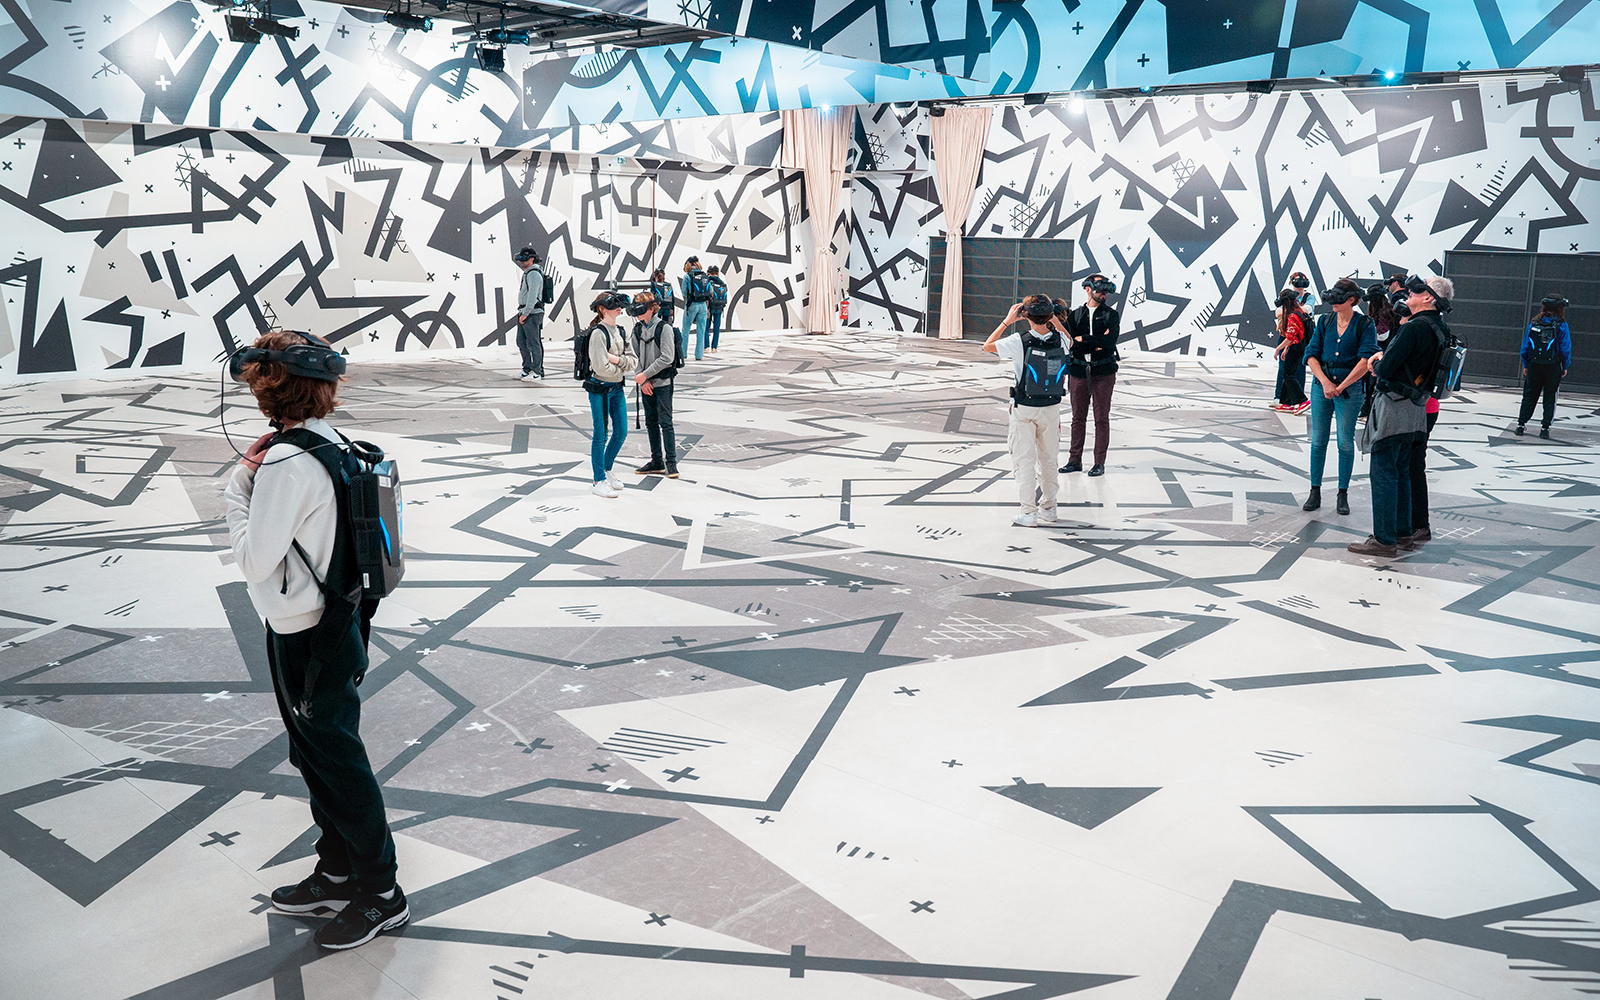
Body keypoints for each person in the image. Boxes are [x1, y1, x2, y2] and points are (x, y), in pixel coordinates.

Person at [223, 331, 407, 950]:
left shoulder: (281, 461)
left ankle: (383, 892)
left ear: (269, 389)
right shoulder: (337, 443)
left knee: (336, 759)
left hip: (304, 631)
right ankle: (335, 870)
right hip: (342, 620)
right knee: (319, 753)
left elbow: (253, 559)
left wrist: (237, 486)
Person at [1348, 276, 1448, 557]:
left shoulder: (1415, 328)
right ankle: (1403, 533)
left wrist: (1375, 362)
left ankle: (1384, 539)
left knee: (1383, 471)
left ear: (1429, 298)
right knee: (1402, 470)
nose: (1410, 293)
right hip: (1417, 407)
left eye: (1418, 290)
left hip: (1395, 406)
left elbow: (1387, 367)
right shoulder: (1439, 328)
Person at [985, 295, 1069, 526]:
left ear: (1025, 314)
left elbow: (987, 346)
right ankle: (1050, 508)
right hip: (1051, 407)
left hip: (1024, 407)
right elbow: (1071, 341)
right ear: (1050, 313)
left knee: (1024, 460)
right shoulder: (1061, 338)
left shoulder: (1018, 340)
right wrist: (1053, 316)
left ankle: (1028, 512)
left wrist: (1007, 320)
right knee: (1049, 460)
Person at [1301, 278, 1378, 515]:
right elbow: (1311, 354)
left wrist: (1341, 386)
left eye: (1339, 299)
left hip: (1351, 389)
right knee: (1318, 441)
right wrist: (1325, 382)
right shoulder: (1324, 321)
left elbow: (1366, 360)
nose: (1333, 303)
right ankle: (1315, 491)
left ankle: (1342, 494)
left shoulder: (1365, 324)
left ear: (1352, 300)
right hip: (1321, 386)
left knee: (1345, 442)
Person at [1058, 274, 1120, 476]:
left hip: (1104, 372)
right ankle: (1074, 460)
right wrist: (1095, 341)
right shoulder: (1075, 315)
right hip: (1079, 371)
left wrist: (1083, 337)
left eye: (1105, 291)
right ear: (1087, 289)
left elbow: (1109, 342)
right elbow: (1070, 343)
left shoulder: (1111, 315)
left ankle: (1099, 463)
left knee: (1101, 418)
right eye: (1099, 290)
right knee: (1078, 418)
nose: (1103, 294)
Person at [582, 293, 637, 498]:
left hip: (617, 389)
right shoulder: (598, 333)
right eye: (611, 305)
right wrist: (620, 365)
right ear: (602, 308)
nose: (618, 308)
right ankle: (598, 480)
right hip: (599, 389)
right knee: (600, 434)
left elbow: (633, 361)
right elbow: (600, 367)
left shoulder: (621, 331)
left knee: (621, 431)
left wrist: (616, 360)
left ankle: (606, 469)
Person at [630, 291, 680, 478]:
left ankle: (671, 462)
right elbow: (635, 355)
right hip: (646, 384)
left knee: (665, 422)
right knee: (650, 422)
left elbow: (667, 358)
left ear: (652, 309)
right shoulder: (637, 330)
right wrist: (642, 379)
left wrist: (644, 375)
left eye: (641, 309)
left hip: (663, 383)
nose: (637, 313)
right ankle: (657, 461)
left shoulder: (664, 328)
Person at [1517, 295, 1572, 439]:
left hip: (1534, 364)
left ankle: (1521, 424)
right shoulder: (1561, 325)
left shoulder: (1534, 323)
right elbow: (1565, 348)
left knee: (1529, 395)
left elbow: (1525, 346)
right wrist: (1565, 365)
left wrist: (1526, 364)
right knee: (1550, 397)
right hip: (1552, 365)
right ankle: (1545, 428)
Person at [1359, 283, 1401, 419]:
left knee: (1371, 383)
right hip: (1386, 352)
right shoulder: (1390, 310)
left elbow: (1381, 335)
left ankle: (1368, 410)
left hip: (1379, 353)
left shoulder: (1383, 313)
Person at [1272, 288, 1310, 412]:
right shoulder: (1298, 311)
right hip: (1295, 346)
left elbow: (1290, 337)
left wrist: (1278, 348)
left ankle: (1302, 400)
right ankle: (1287, 402)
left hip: (1297, 348)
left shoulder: (1293, 315)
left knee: (1288, 374)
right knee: (1288, 373)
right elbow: (1294, 335)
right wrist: (1286, 348)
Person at [513, 246, 546, 381]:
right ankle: (527, 369)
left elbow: (532, 296)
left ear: (532, 259)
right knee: (522, 342)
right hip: (525, 312)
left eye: (524, 258)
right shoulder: (528, 273)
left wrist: (525, 313)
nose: (521, 261)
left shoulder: (533, 274)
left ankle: (537, 371)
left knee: (533, 343)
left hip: (532, 313)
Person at [680, 256, 711, 361]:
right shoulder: (704, 275)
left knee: (686, 330)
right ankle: (699, 355)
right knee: (701, 331)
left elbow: (684, 292)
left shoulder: (687, 276)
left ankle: (683, 353)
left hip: (691, 305)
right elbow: (710, 290)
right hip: (703, 305)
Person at [706, 265, 728, 352]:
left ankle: (706, 346)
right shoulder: (722, 283)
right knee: (716, 328)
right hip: (719, 307)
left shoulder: (708, 282)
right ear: (718, 273)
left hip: (709, 307)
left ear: (709, 273)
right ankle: (714, 347)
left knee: (706, 327)